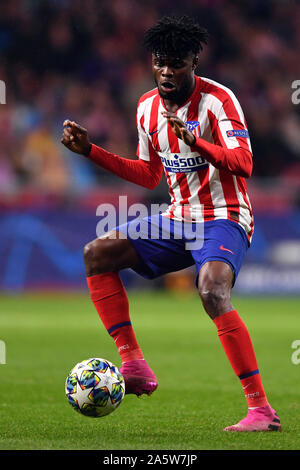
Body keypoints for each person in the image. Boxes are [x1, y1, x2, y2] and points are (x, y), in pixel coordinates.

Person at [61, 16, 281, 432]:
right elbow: (148, 175)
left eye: (176, 63)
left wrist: (196, 140)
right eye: (159, 63)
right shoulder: (146, 107)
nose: (166, 71)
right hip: (178, 217)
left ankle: (261, 410)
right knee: (97, 253)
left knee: (212, 290)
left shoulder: (219, 101)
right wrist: (92, 152)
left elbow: (245, 164)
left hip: (224, 215)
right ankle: (134, 365)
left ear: (194, 60)